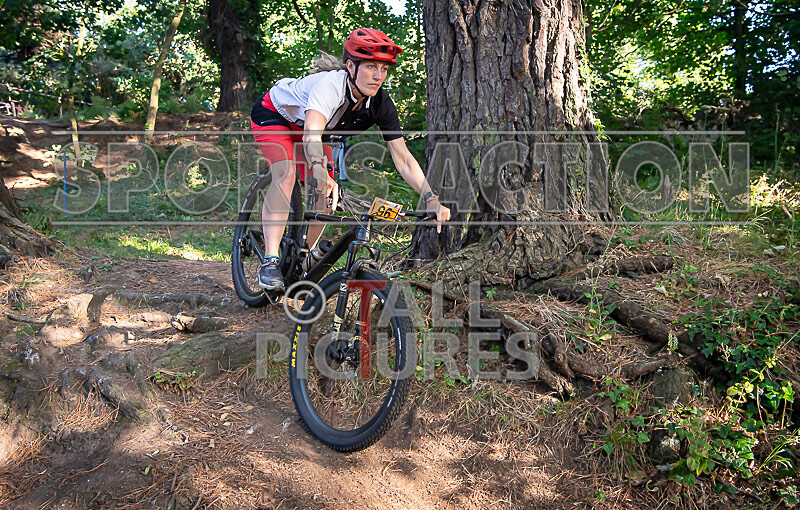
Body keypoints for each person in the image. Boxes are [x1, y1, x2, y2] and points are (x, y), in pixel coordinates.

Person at [250, 28, 450, 291]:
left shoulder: (379, 103)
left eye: (384, 69)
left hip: (315, 131)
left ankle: (303, 257)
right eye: (370, 67)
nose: (378, 76)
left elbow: (403, 157)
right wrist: (319, 169)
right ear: (351, 67)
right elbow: (311, 133)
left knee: (327, 192)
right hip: (275, 115)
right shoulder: (330, 86)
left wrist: (431, 198)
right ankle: (270, 261)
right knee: (286, 176)